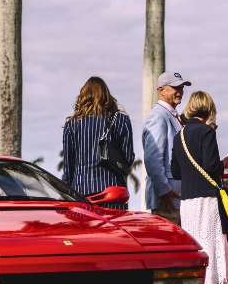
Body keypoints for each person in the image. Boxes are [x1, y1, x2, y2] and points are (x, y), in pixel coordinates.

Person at [170, 90, 228, 284]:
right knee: (211, 246)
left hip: (188, 201)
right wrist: (226, 163)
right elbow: (212, 167)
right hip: (207, 199)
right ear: (208, 109)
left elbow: (176, 171)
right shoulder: (207, 132)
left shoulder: (179, 136)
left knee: (197, 247)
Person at [62, 77, 134, 208]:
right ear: (107, 96)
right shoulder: (121, 120)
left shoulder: (71, 125)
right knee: (113, 228)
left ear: (83, 97)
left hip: (81, 193)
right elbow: (128, 159)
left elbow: (68, 168)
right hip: (113, 192)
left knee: (88, 229)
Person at [142, 70, 191, 223]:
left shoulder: (172, 115)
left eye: (182, 87)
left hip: (176, 199)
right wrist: (164, 191)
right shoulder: (158, 116)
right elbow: (152, 160)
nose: (180, 92)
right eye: (176, 88)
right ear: (161, 90)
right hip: (168, 201)